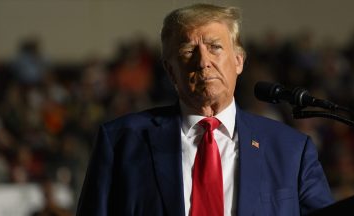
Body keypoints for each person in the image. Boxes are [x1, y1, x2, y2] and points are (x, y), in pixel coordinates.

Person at [76, 3, 334, 216]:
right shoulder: (121, 141)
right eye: (188, 51)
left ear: (238, 61)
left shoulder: (291, 149)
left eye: (215, 47)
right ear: (170, 71)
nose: (203, 62)